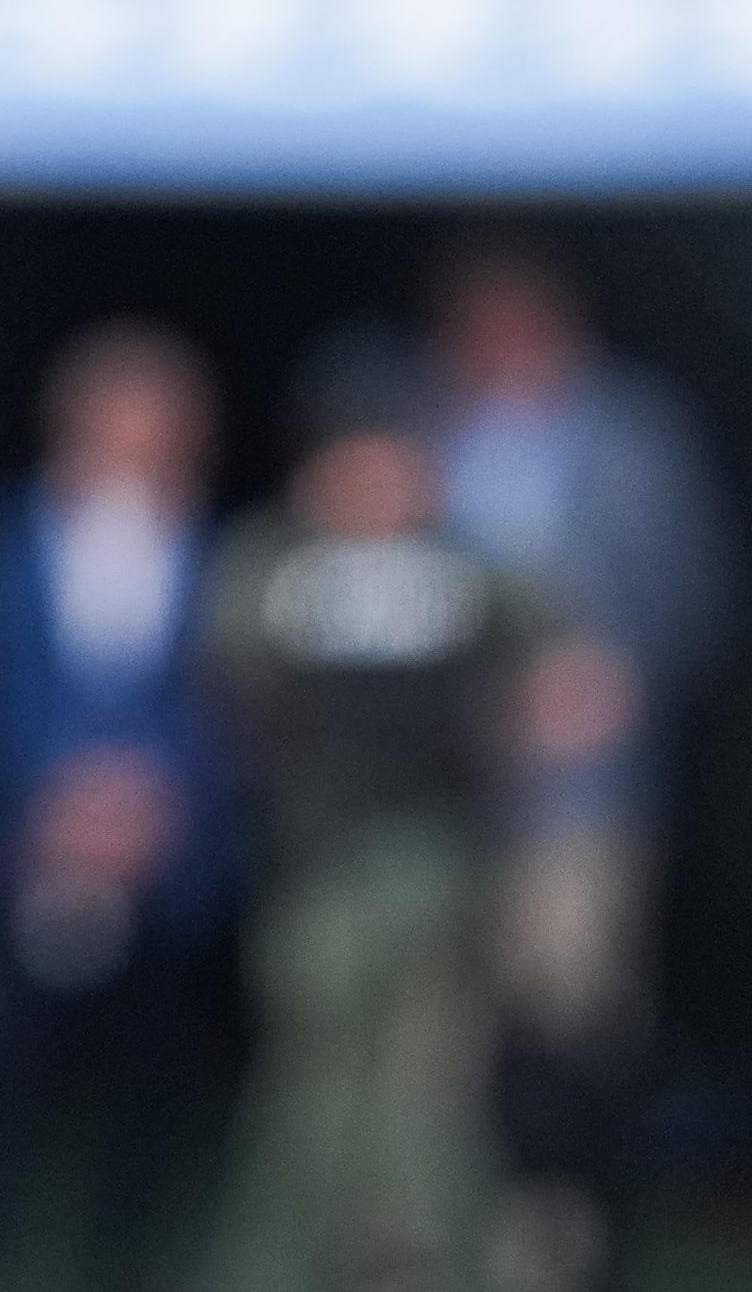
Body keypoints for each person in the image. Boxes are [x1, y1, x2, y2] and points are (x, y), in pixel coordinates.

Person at [427, 246, 729, 1287]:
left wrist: (607, 684)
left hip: (583, 795)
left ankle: (570, 1236)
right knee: (450, 1025)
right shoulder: (433, 426)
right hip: (451, 790)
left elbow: (688, 599)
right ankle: (448, 1231)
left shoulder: (635, 435)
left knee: (579, 1022)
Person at [197, 400, 539, 1292]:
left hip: (437, 859)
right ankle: (300, 1258)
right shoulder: (274, 566)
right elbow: (230, 687)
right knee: (317, 1077)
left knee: (417, 1084)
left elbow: (564, 674)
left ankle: (408, 1257)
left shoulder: (467, 574)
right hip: (316, 863)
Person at [0, 321, 235, 1289]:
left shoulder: (219, 554)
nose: (131, 454)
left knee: (145, 1088)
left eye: (154, 434)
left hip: (165, 864)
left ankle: (121, 1258)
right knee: (1, 1078)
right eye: (114, 428)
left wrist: (153, 802)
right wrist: (54, 798)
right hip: (25, 852)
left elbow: (226, 699)